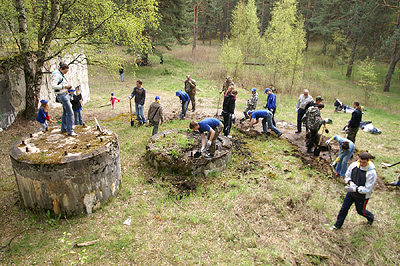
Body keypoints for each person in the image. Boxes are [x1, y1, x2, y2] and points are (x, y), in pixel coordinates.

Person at [330, 152, 377, 230]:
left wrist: (356, 189)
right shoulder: (354, 165)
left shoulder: (371, 173)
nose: (361, 164)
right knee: (344, 208)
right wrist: (350, 183)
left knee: (361, 211)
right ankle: (337, 225)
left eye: (364, 162)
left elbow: (368, 188)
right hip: (351, 193)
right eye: (360, 161)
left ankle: (371, 217)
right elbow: (347, 175)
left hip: (362, 196)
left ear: (368, 161)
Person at [53, 62, 76, 136]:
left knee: (66, 112)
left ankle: (64, 128)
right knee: (70, 112)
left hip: (64, 94)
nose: (66, 73)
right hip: (62, 96)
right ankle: (70, 130)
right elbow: (54, 86)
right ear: (61, 69)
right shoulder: (57, 75)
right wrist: (64, 87)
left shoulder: (60, 74)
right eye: (65, 71)